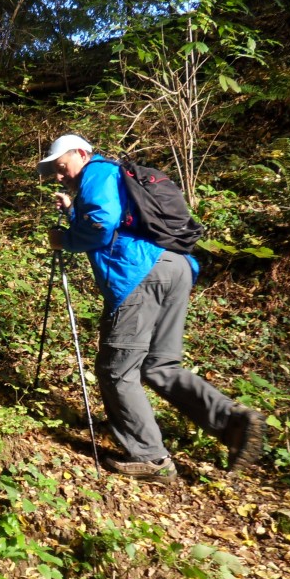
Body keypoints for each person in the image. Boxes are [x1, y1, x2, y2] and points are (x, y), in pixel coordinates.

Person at [40, 133, 266, 481]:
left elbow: (102, 225)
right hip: (175, 266)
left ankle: (150, 457)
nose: (59, 176)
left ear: (81, 153)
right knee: (161, 365)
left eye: (60, 167)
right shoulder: (116, 176)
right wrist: (73, 213)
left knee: (116, 369)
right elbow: (115, 222)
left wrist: (65, 239)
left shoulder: (96, 172)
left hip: (140, 273)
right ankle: (232, 421)